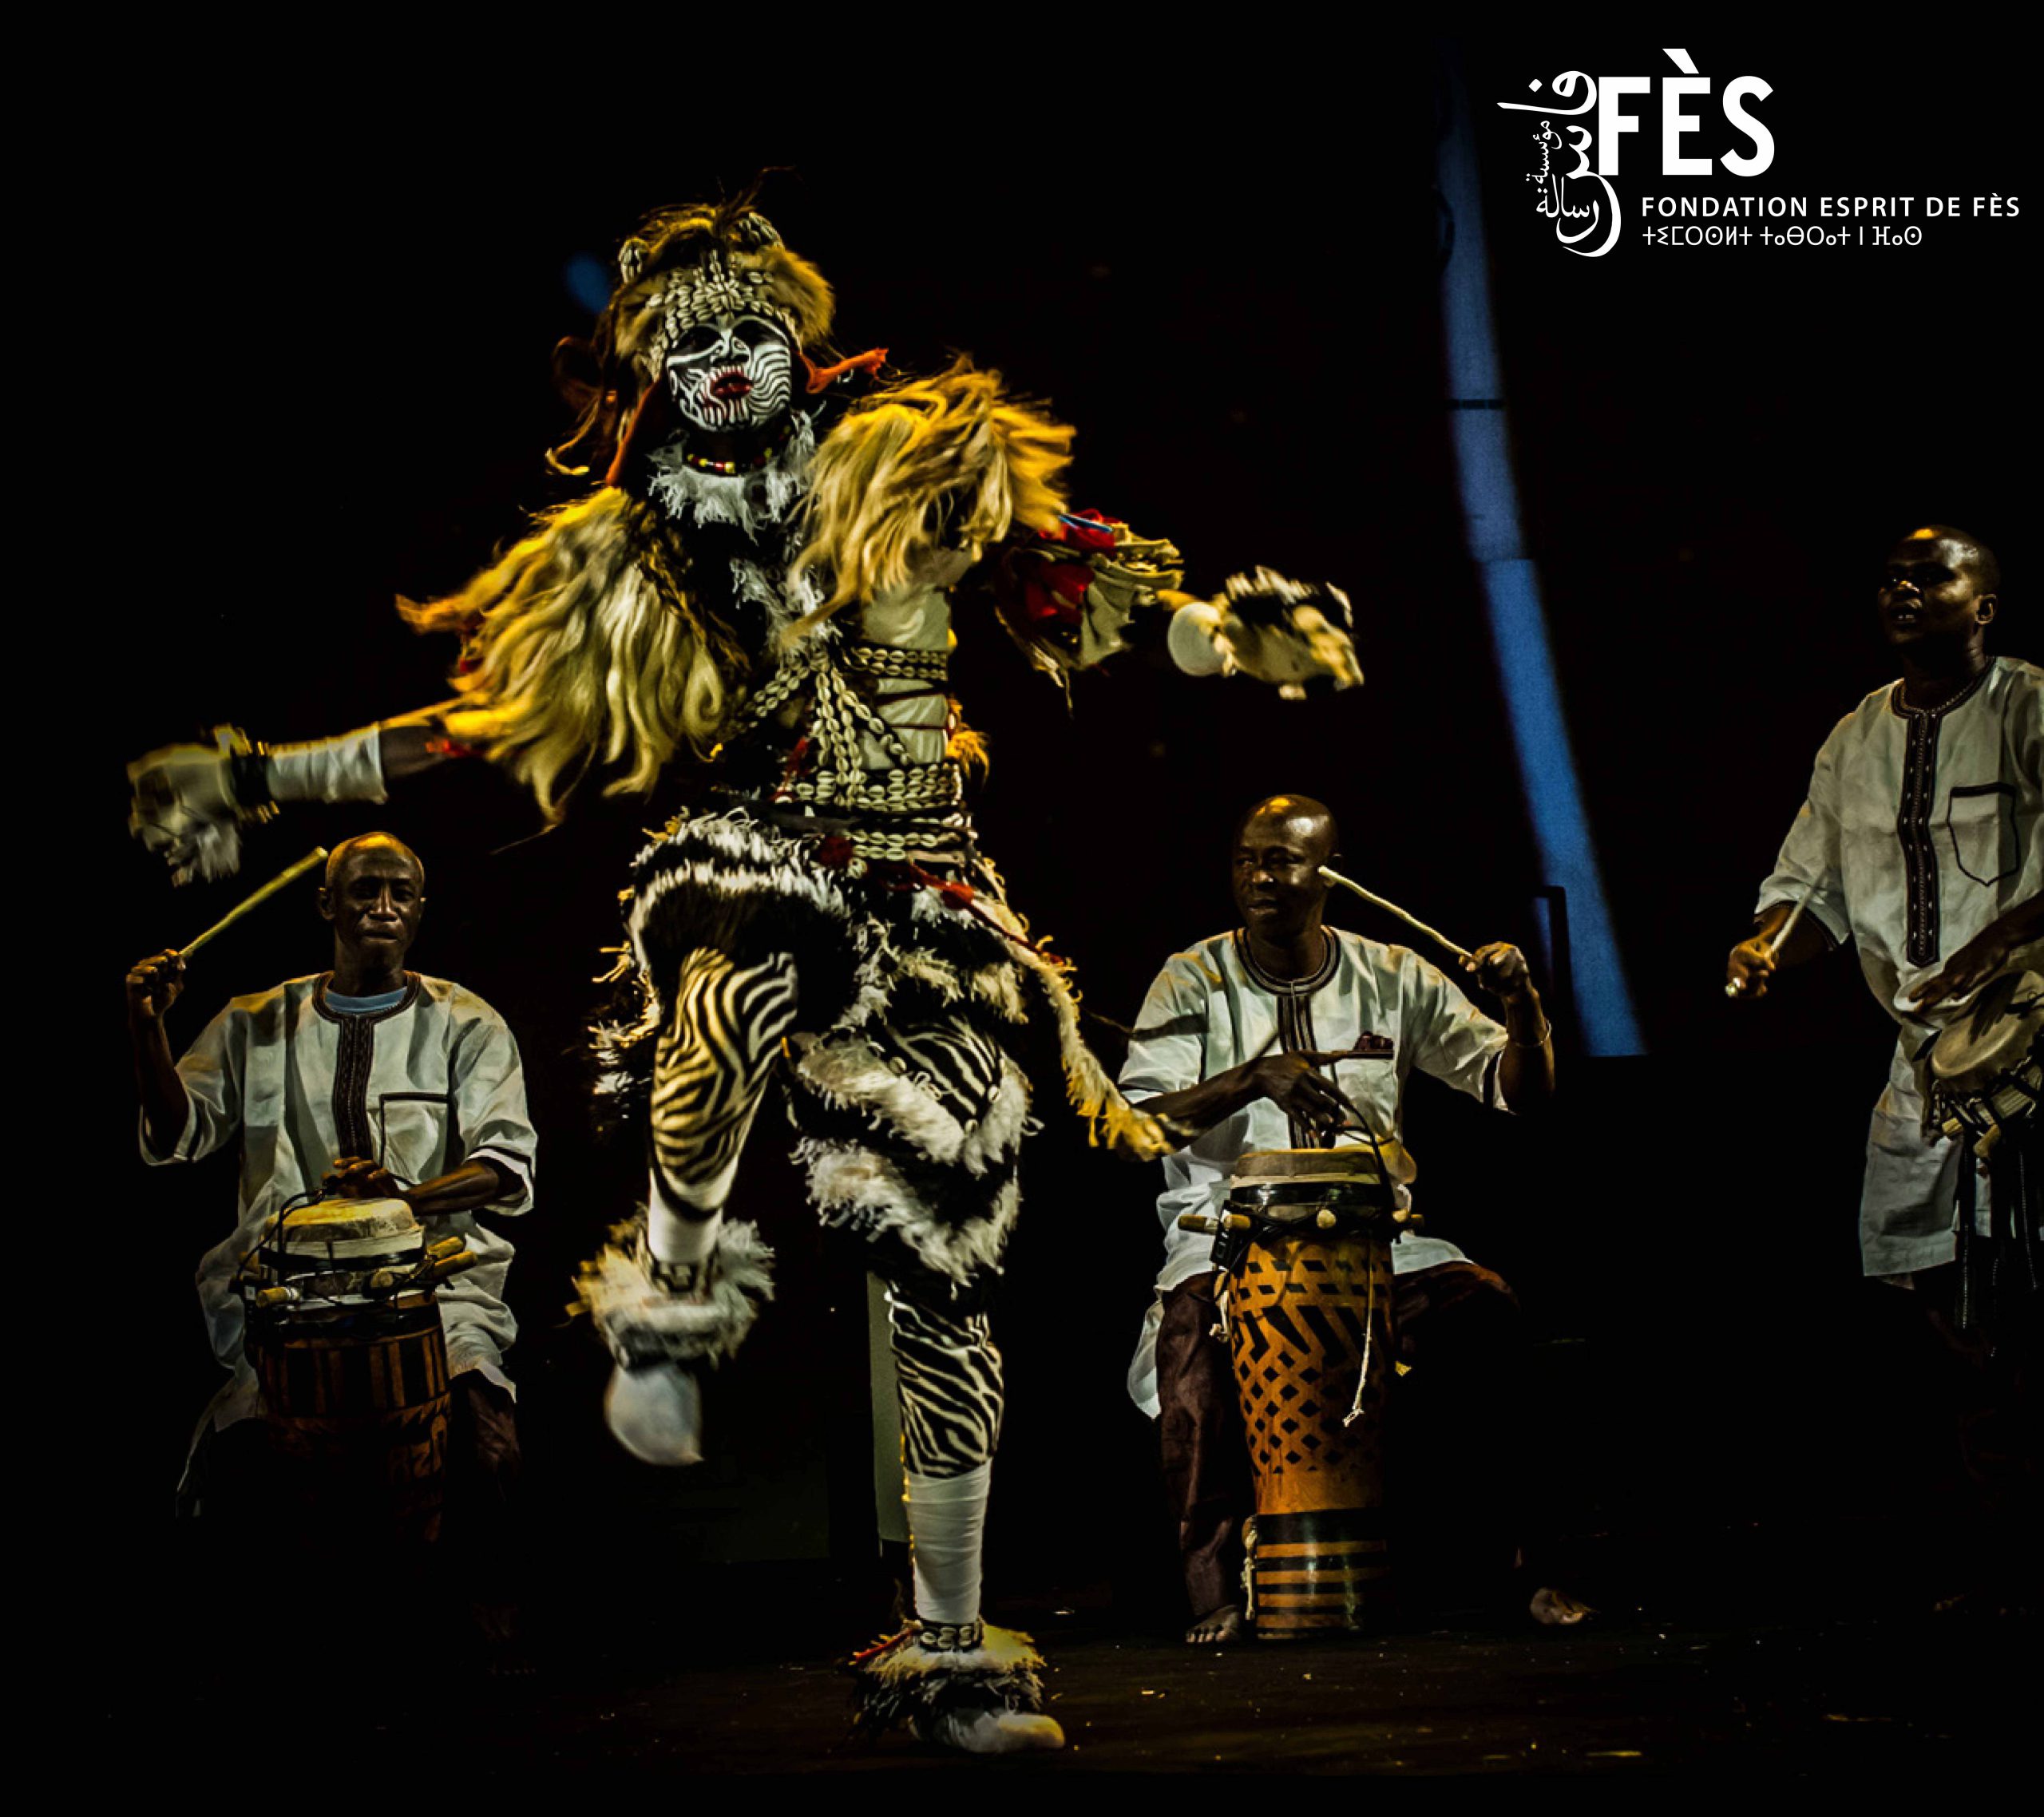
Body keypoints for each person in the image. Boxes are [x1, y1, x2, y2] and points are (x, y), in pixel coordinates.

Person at [122, 193, 1362, 1751]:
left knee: (947, 1268)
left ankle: (950, 1650)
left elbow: (1078, 590)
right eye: (689, 343)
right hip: (754, 862)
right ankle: (672, 1291)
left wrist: (1227, 639)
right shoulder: (638, 552)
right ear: (654, 372)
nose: (721, 363)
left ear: (795, 337)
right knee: (737, 973)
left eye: (746, 332)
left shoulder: (908, 466)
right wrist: (259, 778)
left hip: (928, 892)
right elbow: (476, 729)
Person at [1120, 794, 1584, 1643]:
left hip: (1381, 1245)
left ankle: (1529, 1569)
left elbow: (1519, 1090)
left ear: (1329, 874)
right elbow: (1132, 1127)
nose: (1258, 877)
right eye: (1245, 859)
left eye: (1280, 860)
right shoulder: (1192, 977)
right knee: (1190, 1359)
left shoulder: (1392, 975)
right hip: (1226, 1245)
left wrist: (1522, 1005)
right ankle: (1213, 1592)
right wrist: (1253, 1077)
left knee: (1487, 1313)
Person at [1726, 524, 2040, 1611]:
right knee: (1937, 1287)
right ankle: (2008, 1538)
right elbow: (1808, 888)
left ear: (1983, 604)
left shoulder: (2028, 706)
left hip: (2030, 1041)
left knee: (2024, 1283)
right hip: (1923, 1057)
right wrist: (1766, 948)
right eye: (1892, 578)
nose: (1904, 590)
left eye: (1932, 575)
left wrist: (1995, 946)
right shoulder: (1856, 734)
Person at [128, 832, 537, 1661]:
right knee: (240, 1464)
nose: (382, 906)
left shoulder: (467, 1021)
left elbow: (505, 1164)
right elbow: (175, 1136)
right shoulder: (253, 1021)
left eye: (400, 892)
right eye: (363, 890)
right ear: (327, 904)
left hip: (433, 1282)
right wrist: (148, 1031)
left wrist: (402, 1201)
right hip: (282, 1298)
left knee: (485, 1433)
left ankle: (489, 1621)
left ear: (420, 909)